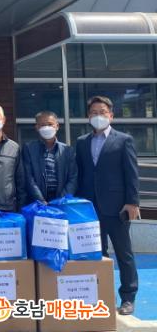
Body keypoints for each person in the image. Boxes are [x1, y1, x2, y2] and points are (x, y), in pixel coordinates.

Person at [75, 96, 140, 315]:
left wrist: (132, 202)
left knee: (124, 254)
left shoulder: (123, 140)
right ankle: (101, 296)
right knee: (96, 253)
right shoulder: (82, 142)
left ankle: (128, 297)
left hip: (117, 207)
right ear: (88, 116)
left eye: (102, 112)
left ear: (111, 115)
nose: (98, 116)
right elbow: (80, 173)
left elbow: (131, 173)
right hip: (89, 209)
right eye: (94, 112)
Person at [22, 111, 78, 203]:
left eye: (50, 124)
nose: (46, 128)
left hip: (62, 202)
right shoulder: (29, 149)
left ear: (57, 126)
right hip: (38, 203)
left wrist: (60, 201)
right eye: (42, 125)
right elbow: (28, 178)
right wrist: (40, 200)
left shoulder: (68, 150)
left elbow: (73, 178)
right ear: (37, 127)